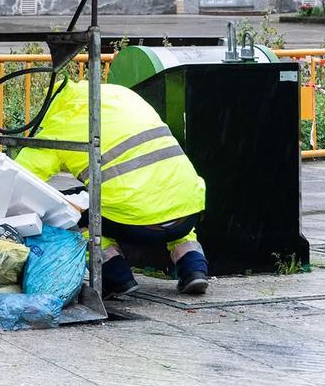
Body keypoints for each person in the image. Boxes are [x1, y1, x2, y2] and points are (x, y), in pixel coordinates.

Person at [14, 79, 208, 297]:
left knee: (72, 214)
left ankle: (116, 277)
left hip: (134, 222)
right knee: (170, 205)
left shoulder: (60, 122)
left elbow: (19, 176)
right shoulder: (123, 94)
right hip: (189, 209)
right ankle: (194, 269)